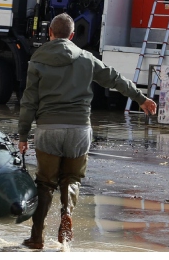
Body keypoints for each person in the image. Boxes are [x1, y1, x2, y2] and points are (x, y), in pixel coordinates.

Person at [18, 13, 157, 249]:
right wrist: (141, 98)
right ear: (72, 36)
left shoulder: (37, 60)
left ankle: (37, 237)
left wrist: (22, 135)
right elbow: (115, 79)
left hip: (48, 129)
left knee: (45, 184)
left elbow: (29, 101)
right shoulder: (86, 58)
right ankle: (67, 212)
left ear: (50, 33)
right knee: (72, 178)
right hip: (80, 129)